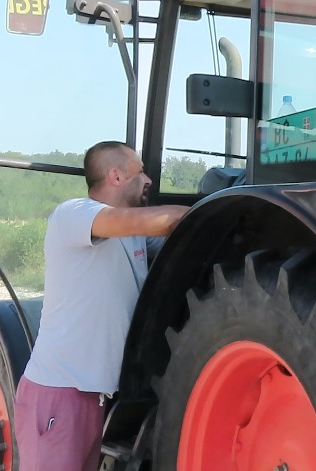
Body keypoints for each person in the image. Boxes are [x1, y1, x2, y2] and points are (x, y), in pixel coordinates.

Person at [13, 141, 189, 470]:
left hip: (93, 398)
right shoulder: (74, 214)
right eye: (140, 172)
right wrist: (219, 210)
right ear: (116, 176)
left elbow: (170, 239)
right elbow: (165, 222)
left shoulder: (132, 235)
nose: (148, 180)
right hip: (58, 395)